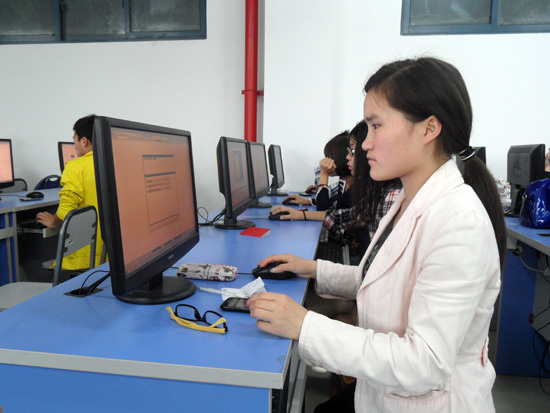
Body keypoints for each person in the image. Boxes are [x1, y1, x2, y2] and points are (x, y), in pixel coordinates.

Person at [248, 57, 506, 412]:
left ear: (429, 129)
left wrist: (306, 326)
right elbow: (383, 279)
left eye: (376, 126)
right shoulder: (407, 199)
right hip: (383, 393)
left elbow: (425, 362)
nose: (365, 144)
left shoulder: (459, 222)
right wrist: (312, 268)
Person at [36, 115, 103, 271]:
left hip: (87, 259)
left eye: (75, 141)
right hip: (114, 255)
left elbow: (67, 212)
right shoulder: (117, 162)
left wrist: (55, 221)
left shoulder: (75, 167)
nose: (75, 147)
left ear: (84, 141)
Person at [286, 132, 352, 211]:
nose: (326, 161)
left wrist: (324, 174)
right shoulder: (344, 181)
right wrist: (308, 201)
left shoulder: (355, 187)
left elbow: (323, 208)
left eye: (329, 157)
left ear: (342, 158)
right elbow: (332, 202)